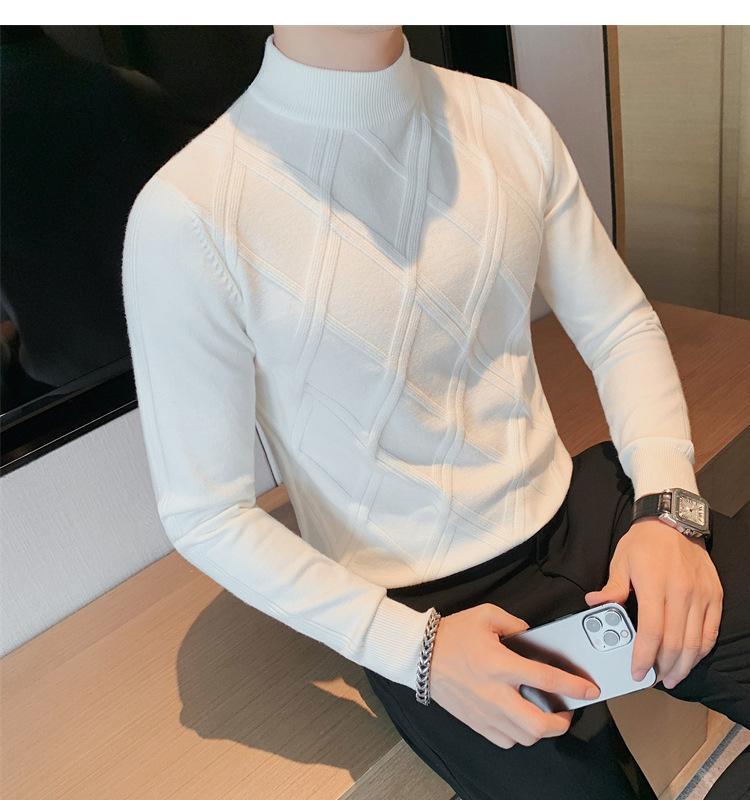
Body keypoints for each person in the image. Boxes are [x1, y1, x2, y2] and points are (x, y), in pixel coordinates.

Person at [121, 25, 750, 799]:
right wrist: (415, 653)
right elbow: (206, 513)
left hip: (582, 509)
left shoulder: (507, 120)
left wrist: (670, 509)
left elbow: (617, 324)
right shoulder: (187, 212)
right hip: (421, 609)